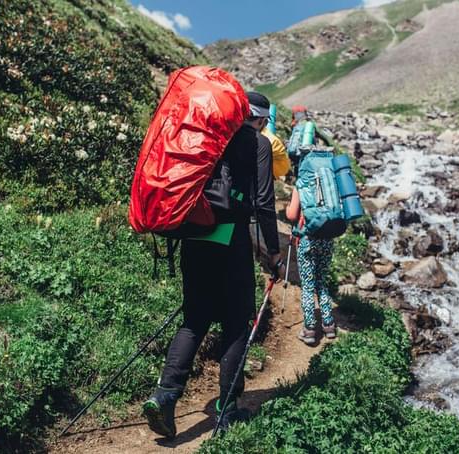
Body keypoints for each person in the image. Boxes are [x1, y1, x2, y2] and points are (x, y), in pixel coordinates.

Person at [143, 91, 284, 439]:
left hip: (194, 235)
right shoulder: (258, 143)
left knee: (195, 319)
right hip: (230, 238)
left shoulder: (212, 136)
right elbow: (264, 202)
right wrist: (274, 253)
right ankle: (228, 407)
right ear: (262, 120)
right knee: (237, 323)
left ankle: (165, 396)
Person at [285, 186, 337, 345]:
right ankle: (328, 325)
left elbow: (292, 214)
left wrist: (288, 207)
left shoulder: (301, 182)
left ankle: (309, 329)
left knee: (308, 286)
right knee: (322, 282)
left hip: (308, 241)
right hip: (327, 240)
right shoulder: (330, 180)